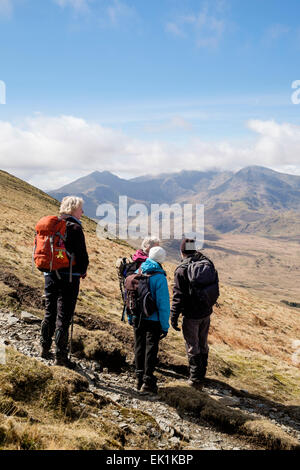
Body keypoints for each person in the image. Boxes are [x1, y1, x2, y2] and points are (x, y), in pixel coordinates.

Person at [40, 196, 89, 368]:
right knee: (64, 315)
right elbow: (82, 256)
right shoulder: (75, 227)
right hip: (69, 277)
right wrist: (82, 271)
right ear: (74, 209)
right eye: (81, 209)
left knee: (49, 311)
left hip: (50, 274)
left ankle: (44, 347)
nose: (82, 212)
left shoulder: (52, 225)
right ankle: (61, 356)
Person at [170, 238, 217, 387]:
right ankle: (202, 374)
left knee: (192, 345)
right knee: (202, 343)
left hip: (191, 315)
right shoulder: (207, 263)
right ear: (194, 250)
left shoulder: (181, 270)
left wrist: (174, 317)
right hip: (206, 312)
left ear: (182, 251)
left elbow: (178, 296)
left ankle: (195, 380)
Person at [132, 246, 170, 395]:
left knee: (139, 346)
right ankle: (148, 382)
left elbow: (131, 297)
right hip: (153, 320)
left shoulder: (138, 271)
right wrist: (165, 326)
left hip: (137, 317)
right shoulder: (159, 277)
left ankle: (138, 378)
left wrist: (130, 317)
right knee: (151, 349)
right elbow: (163, 304)